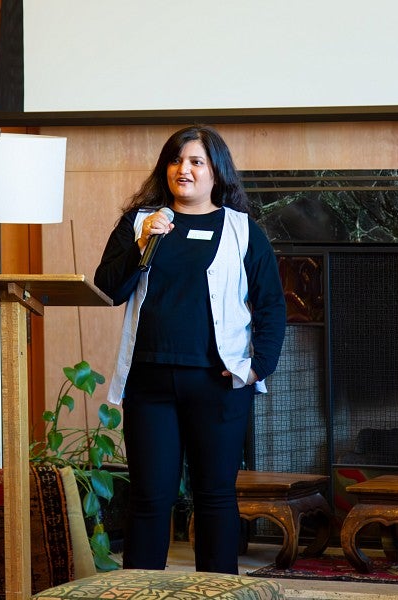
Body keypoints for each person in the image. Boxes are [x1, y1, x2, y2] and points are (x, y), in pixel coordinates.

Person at [94, 125, 286, 574]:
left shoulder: (243, 230)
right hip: (150, 384)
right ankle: (142, 591)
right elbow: (109, 288)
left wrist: (258, 368)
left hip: (218, 384)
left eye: (197, 161)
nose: (186, 170)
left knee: (215, 496)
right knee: (149, 496)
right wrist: (143, 244)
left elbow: (272, 305)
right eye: (177, 160)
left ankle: (217, 591)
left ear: (216, 172)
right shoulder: (141, 222)